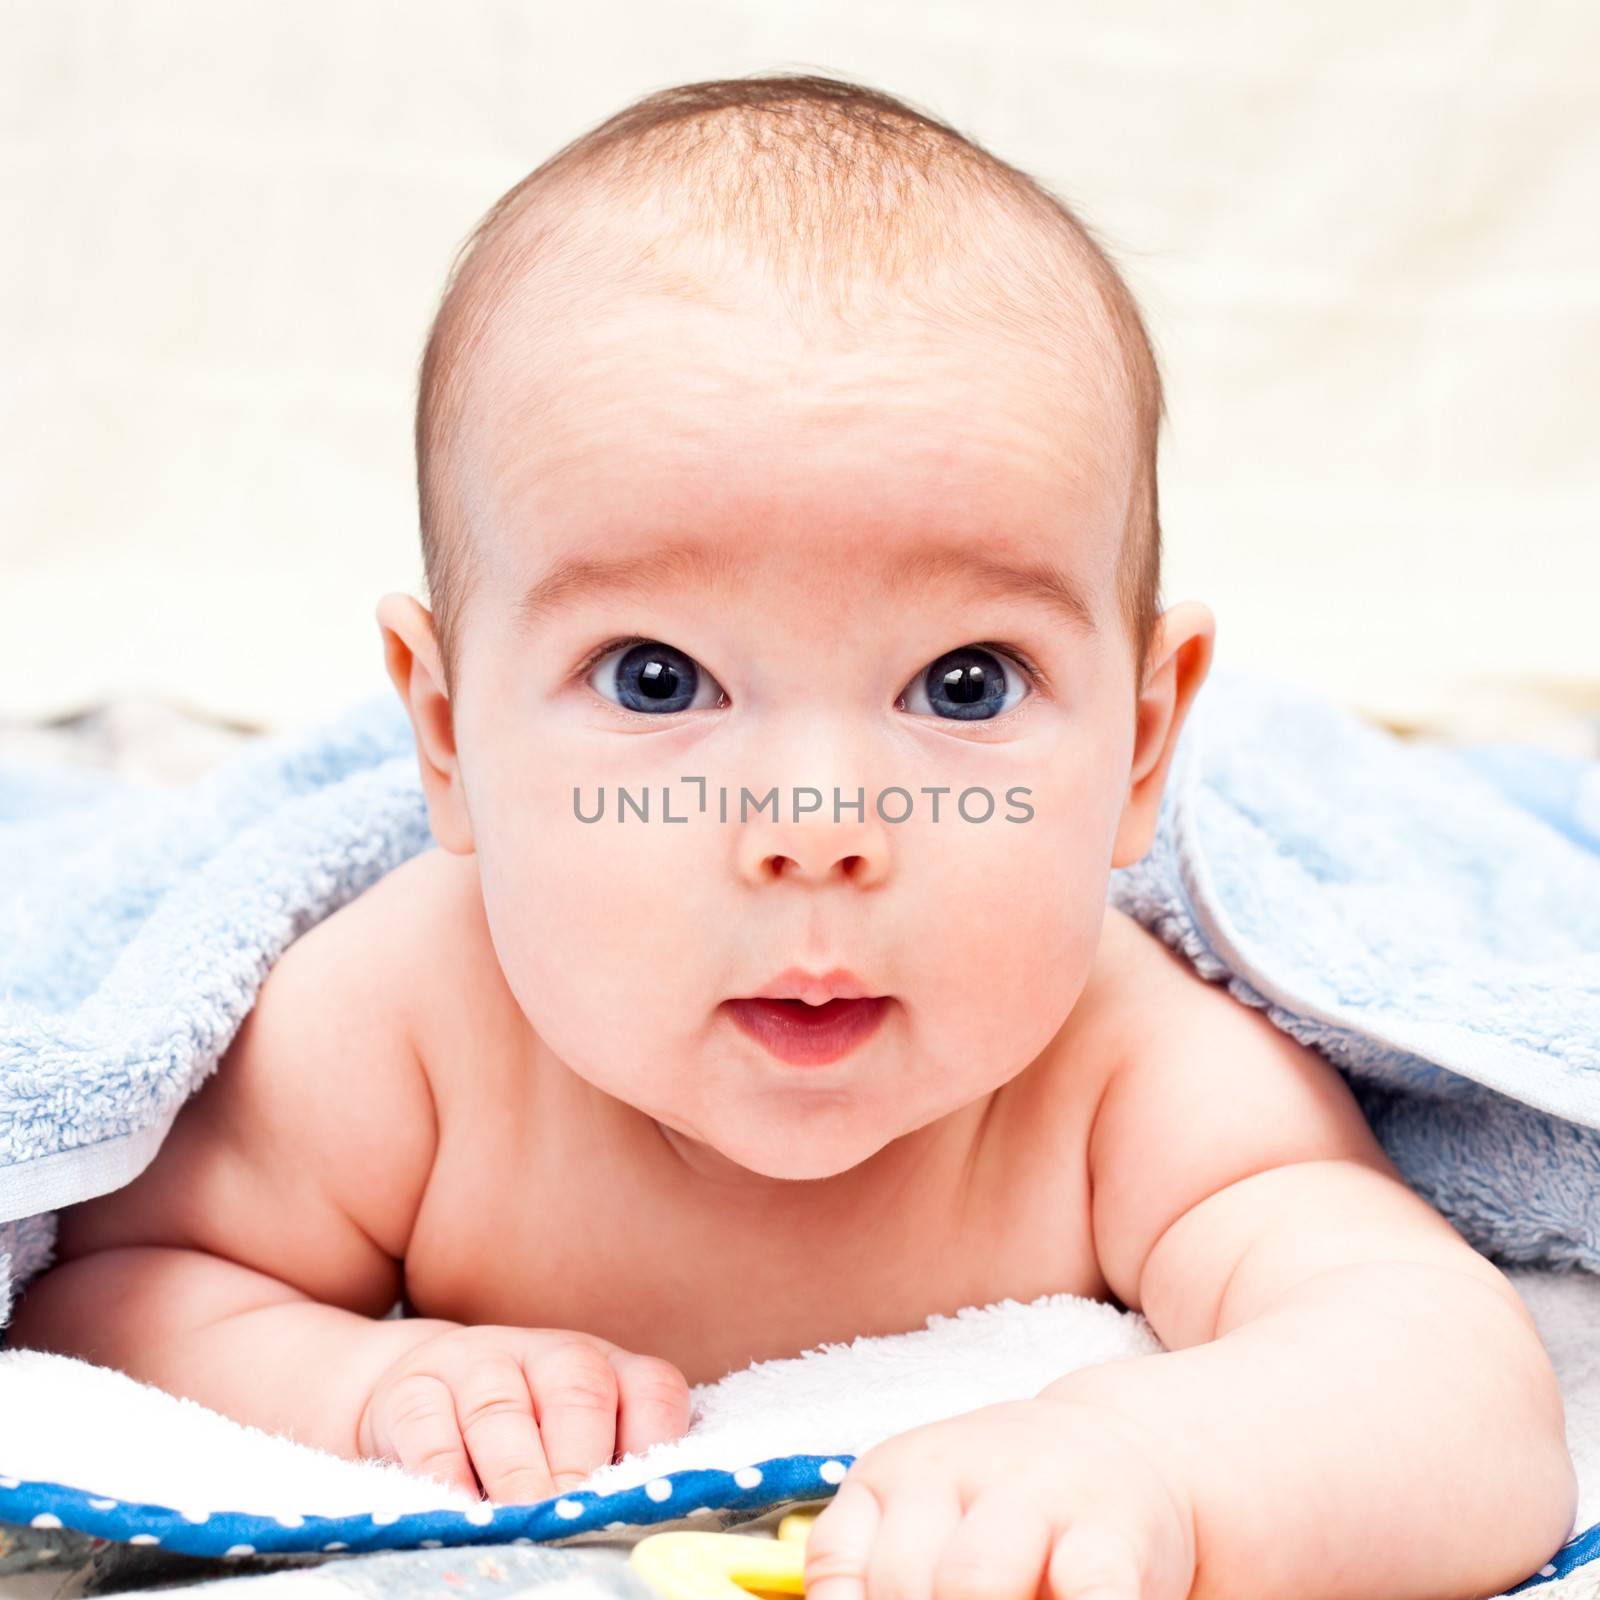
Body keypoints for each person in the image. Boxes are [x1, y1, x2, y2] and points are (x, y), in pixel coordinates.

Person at [9, 72, 1575, 1600]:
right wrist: (367, 1383)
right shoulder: (399, 1026)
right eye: (656, 678)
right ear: (447, 730)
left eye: (964, 686)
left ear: (1146, 741)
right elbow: (119, 1292)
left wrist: (1161, 1471)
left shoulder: (1126, 1070)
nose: (819, 830)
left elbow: (1460, 1396)